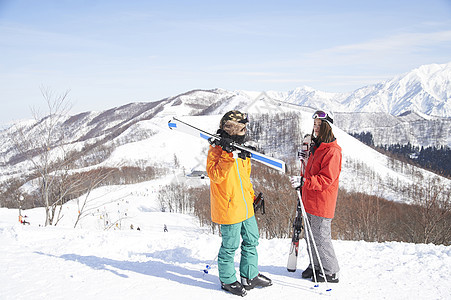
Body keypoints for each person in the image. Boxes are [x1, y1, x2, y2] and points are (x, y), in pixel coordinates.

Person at [206, 110, 272, 296]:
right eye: (242, 128)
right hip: (228, 207)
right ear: (233, 128)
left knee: (252, 239)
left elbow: (245, 179)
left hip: (245, 205)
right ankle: (227, 280)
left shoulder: (242, 150)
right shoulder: (216, 150)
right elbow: (215, 176)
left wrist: (251, 198)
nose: (245, 131)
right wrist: (227, 154)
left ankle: (249, 276)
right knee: (230, 246)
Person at [291, 110, 342, 283]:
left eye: (320, 125)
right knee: (310, 237)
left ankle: (330, 271)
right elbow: (311, 170)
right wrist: (305, 159)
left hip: (322, 202)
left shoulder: (332, 151)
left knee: (321, 237)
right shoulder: (317, 146)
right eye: (314, 125)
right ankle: (316, 265)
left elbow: (326, 179)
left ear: (328, 127)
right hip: (309, 200)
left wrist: (304, 181)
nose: (316, 128)